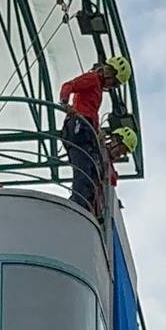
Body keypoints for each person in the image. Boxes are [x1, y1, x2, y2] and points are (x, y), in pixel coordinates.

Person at [59, 54, 131, 212]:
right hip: (79, 127)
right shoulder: (92, 79)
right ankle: (79, 205)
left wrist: (97, 132)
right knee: (84, 168)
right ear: (110, 72)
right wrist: (65, 103)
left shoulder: (97, 86)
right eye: (115, 82)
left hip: (86, 129)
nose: (112, 86)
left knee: (89, 170)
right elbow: (69, 86)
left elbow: (91, 112)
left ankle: (82, 203)